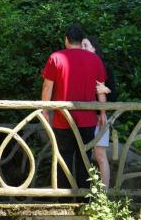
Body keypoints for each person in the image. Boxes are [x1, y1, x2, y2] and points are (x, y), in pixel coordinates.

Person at [40, 23, 107, 192]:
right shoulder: (95, 59)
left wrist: (45, 110)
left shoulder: (56, 57)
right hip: (88, 119)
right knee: (85, 158)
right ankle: (85, 197)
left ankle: (64, 197)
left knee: (64, 157)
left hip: (63, 119)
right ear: (81, 40)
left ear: (66, 40)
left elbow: (47, 87)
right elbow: (101, 90)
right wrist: (103, 113)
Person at [82, 36, 117, 188]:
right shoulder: (79, 66)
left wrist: (106, 89)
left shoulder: (105, 67)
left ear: (94, 48)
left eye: (85, 45)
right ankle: (85, 192)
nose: (82, 48)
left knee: (100, 156)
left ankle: (105, 194)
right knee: (84, 155)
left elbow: (115, 93)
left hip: (100, 117)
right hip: (83, 117)